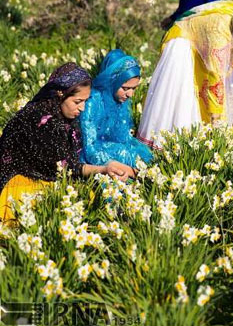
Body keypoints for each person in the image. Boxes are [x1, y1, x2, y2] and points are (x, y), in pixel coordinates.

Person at [0, 63, 133, 226]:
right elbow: (67, 167)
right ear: (60, 93)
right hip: (22, 183)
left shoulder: (63, 115)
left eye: (85, 101)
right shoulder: (44, 123)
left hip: (54, 175)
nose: (83, 108)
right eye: (78, 101)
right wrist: (103, 169)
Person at [138, 1, 233, 148]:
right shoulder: (218, 33)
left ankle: (200, 142)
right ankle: (172, 144)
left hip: (204, 44)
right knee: (184, 97)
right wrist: (216, 120)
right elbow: (215, 78)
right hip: (184, 42)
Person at [79, 49, 153, 171]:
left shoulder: (120, 100)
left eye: (134, 88)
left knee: (144, 154)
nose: (130, 94)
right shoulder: (93, 102)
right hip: (96, 157)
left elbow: (124, 137)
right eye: (125, 88)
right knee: (125, 155)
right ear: (112, 81)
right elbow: (90, 148)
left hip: (116, 149)